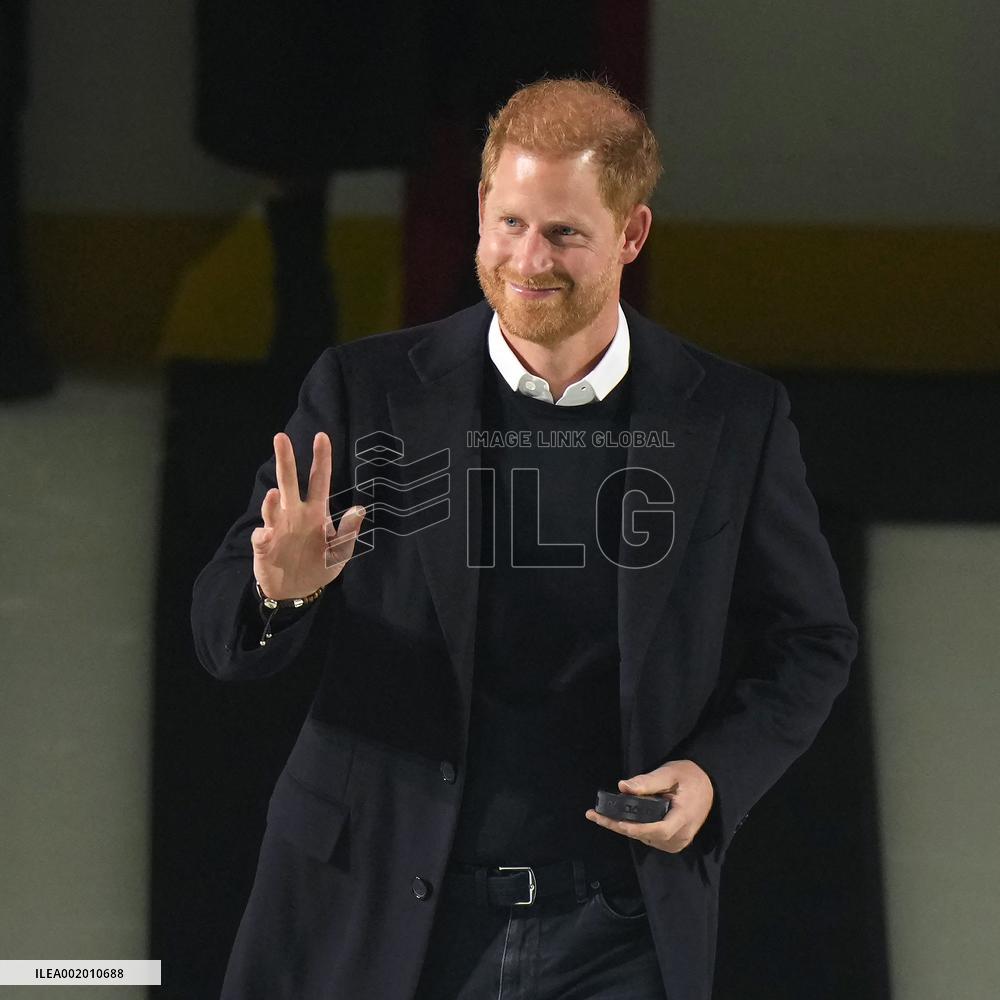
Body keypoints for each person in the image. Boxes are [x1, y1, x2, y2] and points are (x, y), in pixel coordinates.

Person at [191, 78, 858, 1000]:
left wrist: (715, 775)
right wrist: (284, 590)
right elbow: (222, 634)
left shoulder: (733, 419)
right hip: (377, 909)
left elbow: (812, 639)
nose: (528, 259)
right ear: (479, 210)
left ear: (632, 234)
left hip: (616, 930)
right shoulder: (366, 390)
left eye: (564, 232)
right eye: (509, 222)